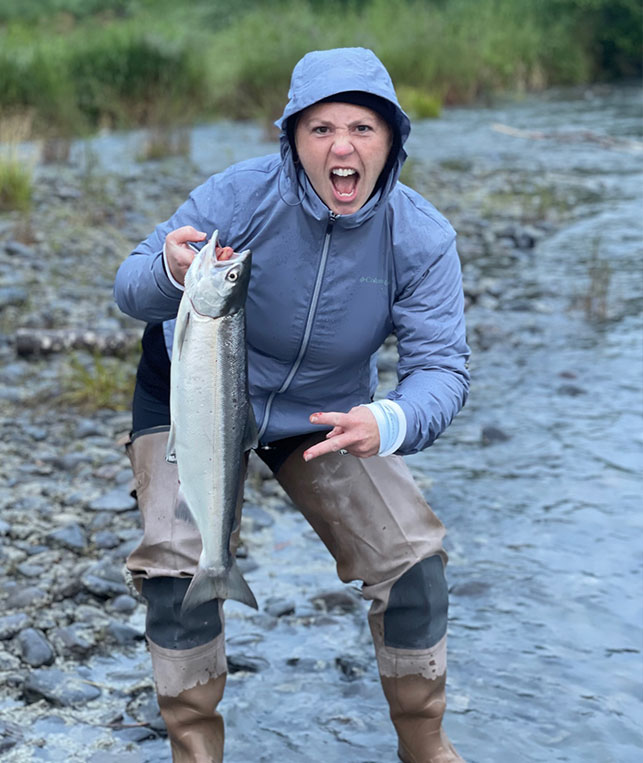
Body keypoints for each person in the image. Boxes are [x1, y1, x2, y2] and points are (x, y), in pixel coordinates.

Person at [114, 47, 469, 763]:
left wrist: (388, 419)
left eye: (362, 128)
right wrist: (170, 271)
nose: (342, 146)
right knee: (176, 566)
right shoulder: (237, 196)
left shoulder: (421, 236)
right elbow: (130, 286)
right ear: (292, 139)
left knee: (412, 561)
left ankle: (425, 747)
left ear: (393, 139)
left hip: (325, 413)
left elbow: (440, 369)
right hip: (193, 396)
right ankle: (194, 750)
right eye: (320, 129)